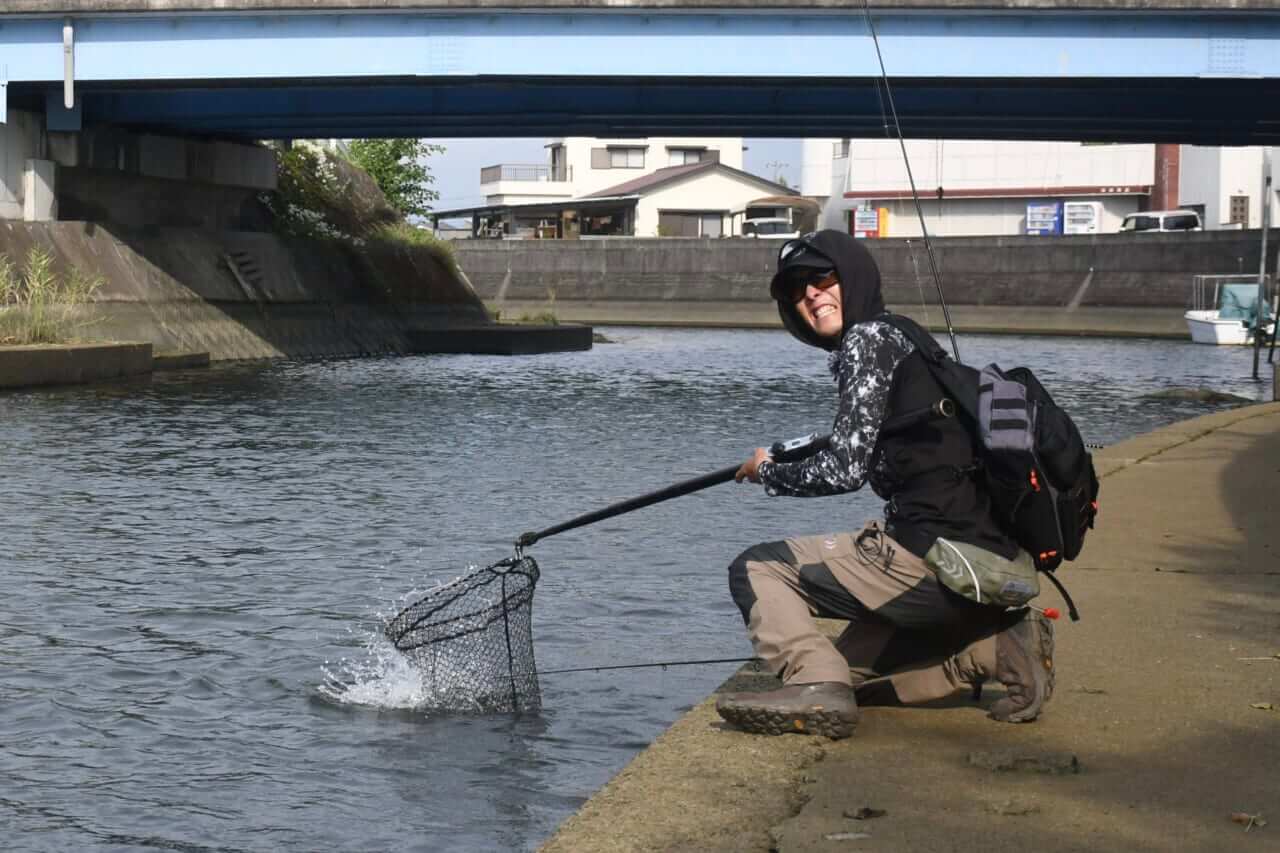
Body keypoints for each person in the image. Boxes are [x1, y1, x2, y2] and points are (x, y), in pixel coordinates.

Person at [716, 230, 1054, 740]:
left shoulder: (865, 340)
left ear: (852, 276)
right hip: (986, 564)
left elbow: (845, 469)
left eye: (822, 277)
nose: (810, 293)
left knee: (757, 568)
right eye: (796, 288)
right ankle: (997, 649)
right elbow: (858, 434)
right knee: (848, 675)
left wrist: (769, 475)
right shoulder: (905, 335)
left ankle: (813, 687)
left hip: (929, 560)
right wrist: (775, 453)